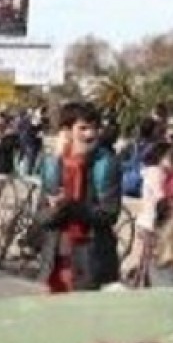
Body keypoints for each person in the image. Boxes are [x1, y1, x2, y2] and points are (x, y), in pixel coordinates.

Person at [36, 103, 121, 293]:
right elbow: (41, 217)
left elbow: (109, 214)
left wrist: (72, 207)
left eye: (94, 128)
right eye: (83, 128)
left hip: (91, 261)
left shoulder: (106, 164)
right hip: (55, 262)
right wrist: (57, 209)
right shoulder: (54, 166)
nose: (90, 135)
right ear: (66, 131)